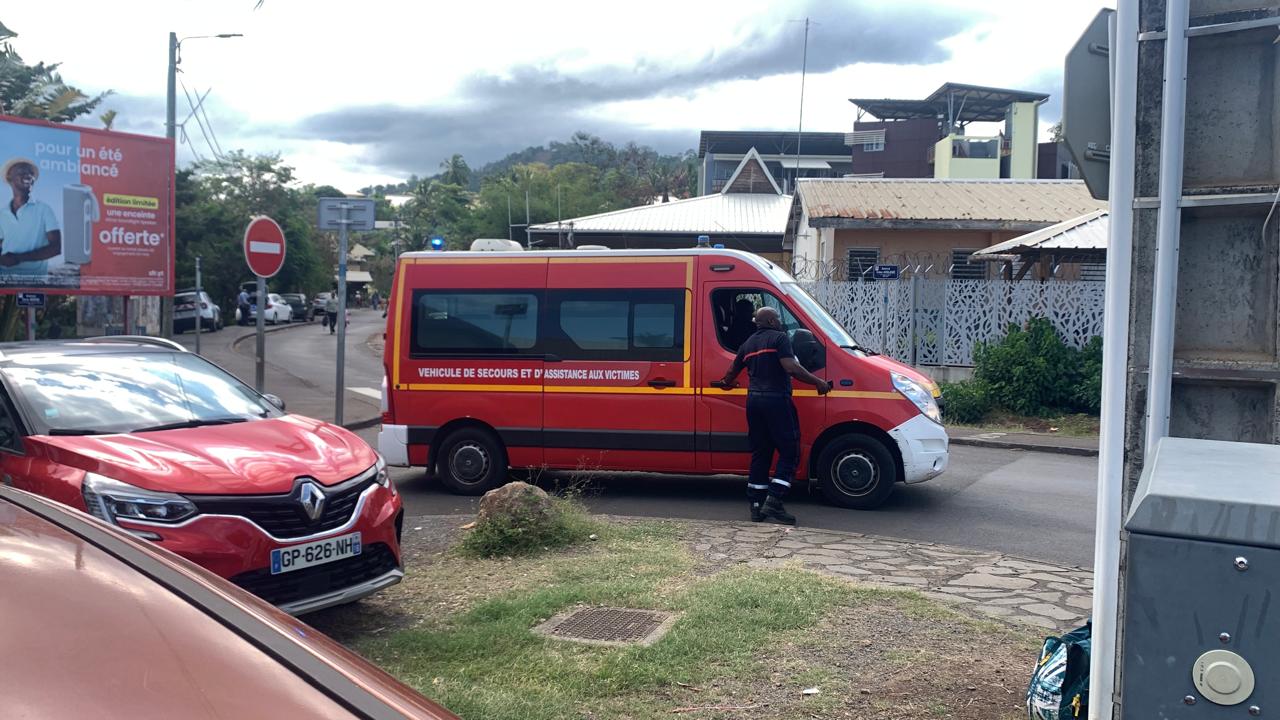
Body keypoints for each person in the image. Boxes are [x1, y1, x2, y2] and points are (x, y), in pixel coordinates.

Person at [720, 306, 830, 525]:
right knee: (790, 450)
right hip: (776, 400)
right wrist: (818, 382)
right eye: (777, 318)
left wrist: (727, 384)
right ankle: (775, 498)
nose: (779, 321)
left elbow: (731, 374)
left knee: (761, 452)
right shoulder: (779, 339)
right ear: (770, 321)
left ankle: (756, 506)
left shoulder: (747, 343)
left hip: (754, 402)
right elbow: (791, 368)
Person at [0, 159, 62, 282]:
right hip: (4, 281)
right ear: (9, 177)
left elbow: (56, 248)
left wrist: (18, 258)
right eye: (22, 171)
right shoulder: (2, 214)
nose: (28, 175)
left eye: (31, 173)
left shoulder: (44, 209)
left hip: (35, 281)